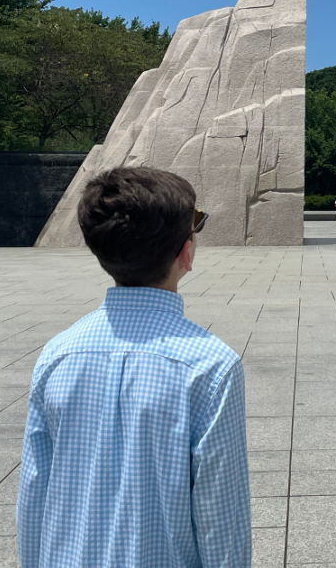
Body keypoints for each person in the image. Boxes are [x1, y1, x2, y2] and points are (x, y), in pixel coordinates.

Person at [17, 166, 250, 568]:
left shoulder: (58, 354)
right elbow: (220, 515)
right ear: (186, 254)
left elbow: (34, 491)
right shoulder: (211, 366)